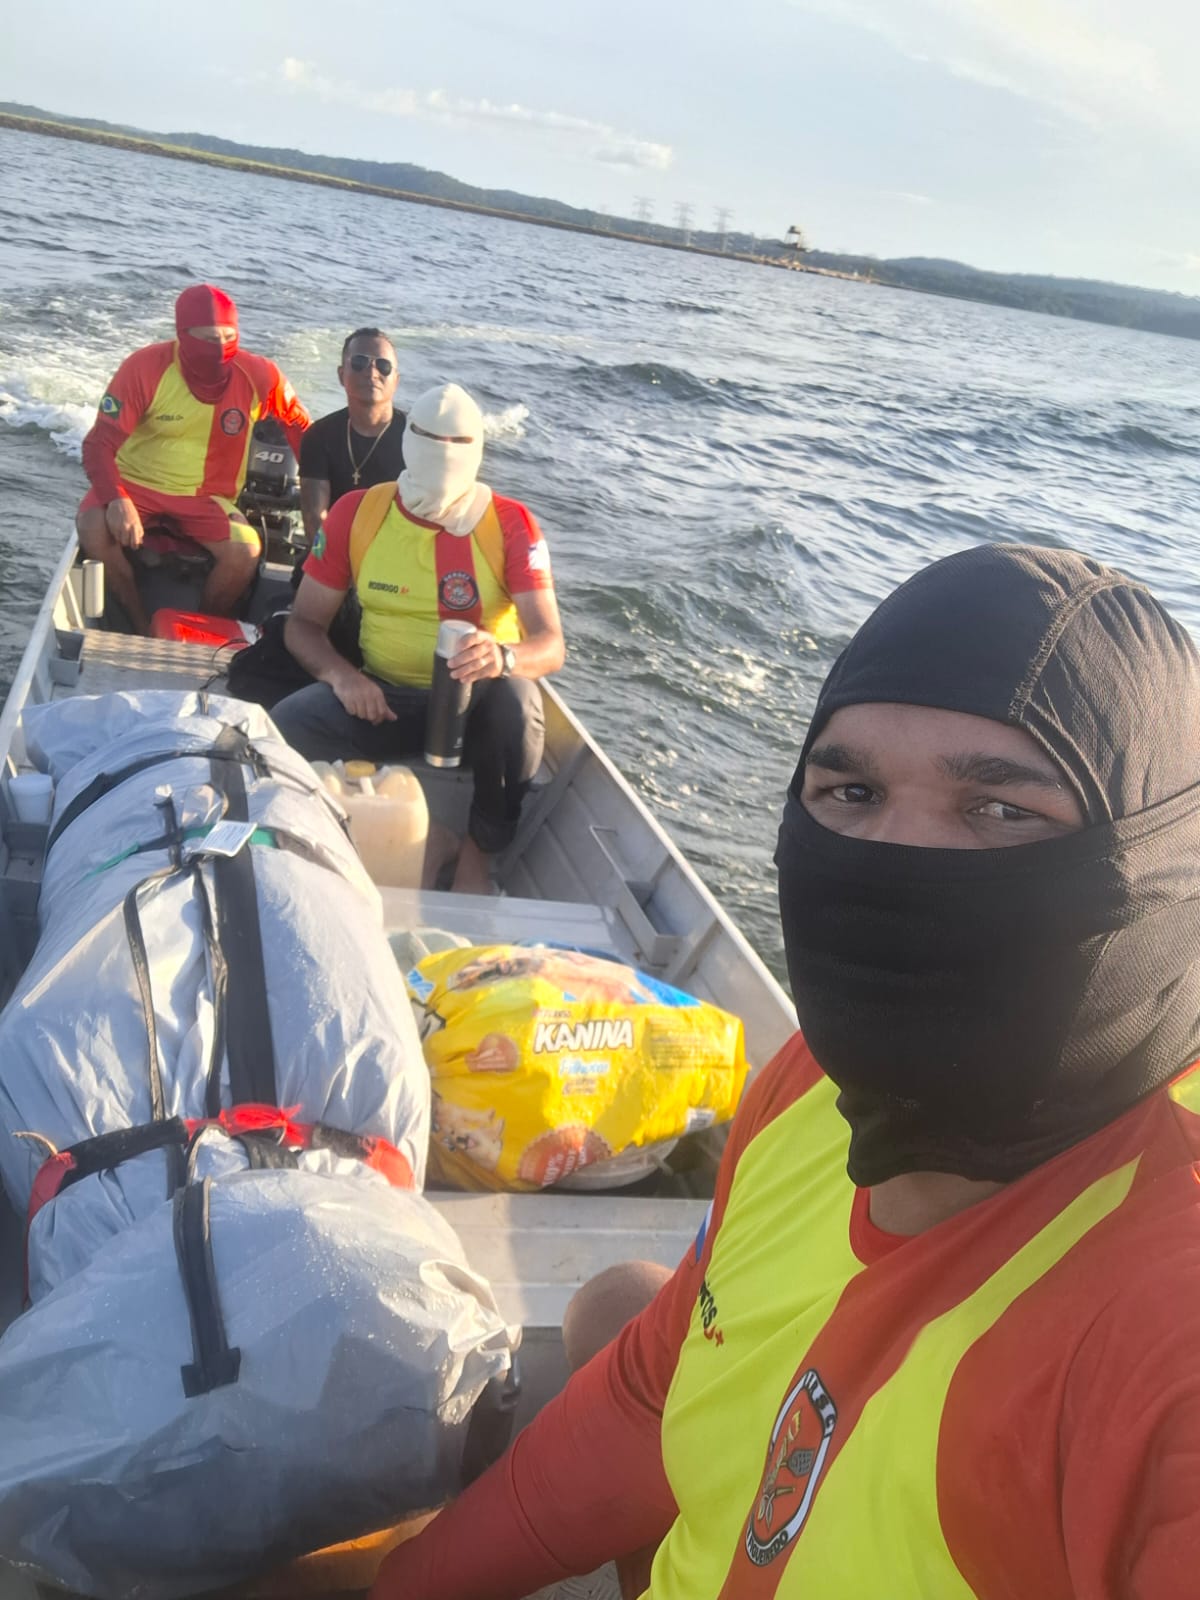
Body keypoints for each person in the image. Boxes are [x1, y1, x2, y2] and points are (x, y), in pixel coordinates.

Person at [371, 543, 1200, 1598]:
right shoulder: (814, 1083)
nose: (894, 862)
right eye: (849, 788)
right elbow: (643, 1394)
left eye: (999, 811)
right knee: (623, 1307)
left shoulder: (1166, 1334)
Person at [272, 382, 564, 893]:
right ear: (409, 442)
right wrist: (343, 678)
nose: (443, 458)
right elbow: (303, 624)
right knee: (285, 728)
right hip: (379, 699)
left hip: (471, 711)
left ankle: (475, 851)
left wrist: (501, 656)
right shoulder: (358, 514)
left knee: (520, 709)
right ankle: (343, 836)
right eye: (432, 442)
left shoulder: (511, 524)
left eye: (457, 445)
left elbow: (550, 645)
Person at [77, 283, 309, 632]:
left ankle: (198, 626)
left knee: (245, 551)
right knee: (93, 528)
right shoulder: (145, 367)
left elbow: (302, 431)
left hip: (208, 498)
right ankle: (139, 623)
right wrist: (116, 499)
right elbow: (98, 444)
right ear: (182, 334)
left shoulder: (260, 375)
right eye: (206, 337)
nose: (218, 348)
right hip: (135, 484)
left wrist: (330, 494)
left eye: (227, 337)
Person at [298, 327, 407, 548]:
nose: (372, 372)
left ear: (395, 380)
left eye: (383, 366)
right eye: (359, 362)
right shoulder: (318, 436)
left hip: (395, 557)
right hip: (331, 555)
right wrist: (332, 567)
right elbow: (314, 520)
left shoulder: (415, 438)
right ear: (341, 374)